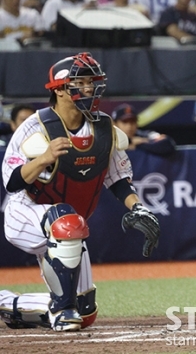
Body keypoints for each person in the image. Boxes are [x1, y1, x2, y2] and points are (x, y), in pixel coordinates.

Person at [0, 52, 160, 332]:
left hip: (69, 225)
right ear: (60, 89)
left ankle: (10, 304)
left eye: (92, 81)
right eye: (81, 82)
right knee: (67, 223)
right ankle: (62, 310)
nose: (89, 88)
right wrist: (42, 159)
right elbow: (12, 183)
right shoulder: (34, 127)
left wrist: (138, 207)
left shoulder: (103, 128)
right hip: (25, 212)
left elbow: (119, 179)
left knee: (85, 313)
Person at [112, 103, 176, 157]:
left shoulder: (144, 135)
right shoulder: (109, 138)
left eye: (133, 121)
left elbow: (167, 144)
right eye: (125, 122)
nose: (129, 126)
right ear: (115, 124)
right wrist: (130, 142)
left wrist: (140, 144)